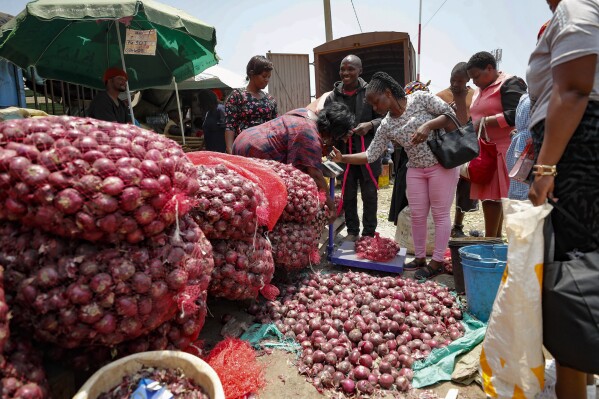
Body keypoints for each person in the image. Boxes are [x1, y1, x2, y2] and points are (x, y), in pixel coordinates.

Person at [527, 0, 599, 397]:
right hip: (576, 148)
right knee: (587, 267)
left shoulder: (574, 7)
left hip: (577, 153)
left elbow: (572, 90)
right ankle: (583, 379)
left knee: (571, 276)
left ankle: (574, 385)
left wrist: (546, 168)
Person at [330, 72, 459, 279]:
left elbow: (450, 115)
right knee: (417, 215)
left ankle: (437, 262)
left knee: (440, 214)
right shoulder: (386, 124)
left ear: (388, 93)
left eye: (375, 102)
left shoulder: (420, 98)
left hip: (440, 165)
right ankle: (419, 258)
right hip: (415, 168)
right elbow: (370, 154)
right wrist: (342, 158)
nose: (374, 108)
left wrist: (428, 125)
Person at [233, 102, 355, 222]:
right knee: (259, 197)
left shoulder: (305, 113)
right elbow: (316, 175)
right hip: (256, 150)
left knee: (246, 191)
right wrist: (331, 206)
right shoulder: (309, 134)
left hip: (243, 138)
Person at [467, 51, 527, 237]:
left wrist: (486, 120)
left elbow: (517, 114)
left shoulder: (510, 83)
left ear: (490, 68)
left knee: (505, 199)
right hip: (486, 151)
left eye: (476, 76)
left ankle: (506, 244)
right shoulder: (479, 90)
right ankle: (492, 240)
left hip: (506, 150)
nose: (474, 82)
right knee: (489, 197)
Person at [324, 55, 382, 241]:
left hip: (368, 153)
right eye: (343, 69)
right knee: (348, 194)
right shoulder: (332, 97)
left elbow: (386, 119)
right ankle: (352, 231)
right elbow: (326, 125)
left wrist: (370, 125)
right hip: (343, 154)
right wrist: (340, 134)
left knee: (369, 194)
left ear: (360, 71)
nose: (345, 73)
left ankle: (368, 233)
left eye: (351, 69)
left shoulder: (370, 93)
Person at [436, 62, 478, 237]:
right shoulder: (440, 96)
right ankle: (437, 227)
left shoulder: (475, 96)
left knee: (465, 187)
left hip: (467, 145)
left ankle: (458, 226)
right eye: (453, 80)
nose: (455, 84)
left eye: (460, 81)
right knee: (441, 188)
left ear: (468, 80)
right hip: (447, 146)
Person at [388, 80, 431, 226]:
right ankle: (406, 231)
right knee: (406, 196)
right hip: (407, 163)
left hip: (423, 164)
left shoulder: (429, 115)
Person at [224, 55, 277, 153]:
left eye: (269, 77)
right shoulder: (237, 96)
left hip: (266, 150)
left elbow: (275, 127)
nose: (267, 80)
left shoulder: (270, 100)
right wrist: (230, 151)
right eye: (264, 76)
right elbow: (230, 126)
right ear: (252, 74)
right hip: (243, 150)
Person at [506, 94, 532, 200]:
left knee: (529, 190)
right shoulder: (525, 97)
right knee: (518, 187)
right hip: (520, 146)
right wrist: (519, 132)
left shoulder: (549, 95)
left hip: (533, 147)